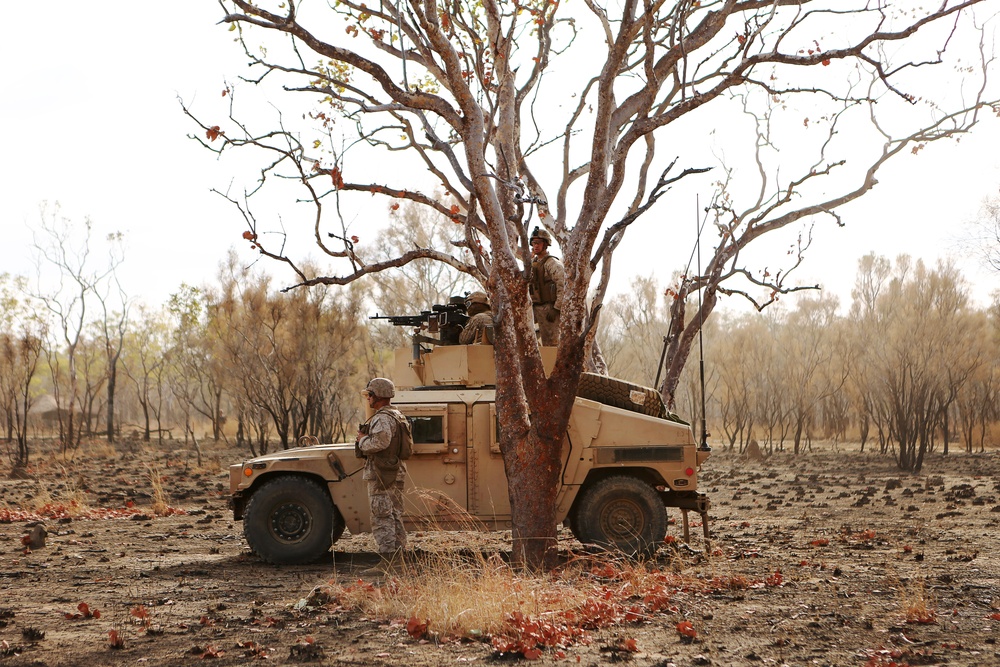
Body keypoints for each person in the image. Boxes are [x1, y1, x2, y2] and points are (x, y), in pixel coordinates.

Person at [356, 377, 408, 572]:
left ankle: (388, 563)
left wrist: (362, 441)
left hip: (382, 475)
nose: (368, 398)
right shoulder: (397, 415)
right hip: (394, 472)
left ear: (377, 396)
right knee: (394, 515)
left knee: (382, 516)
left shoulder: (382, 418)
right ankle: (398, 560)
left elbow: (380, 443)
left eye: (370, 395)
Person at [528, 226, 565, 346]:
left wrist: (556, 308)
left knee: (551, 344)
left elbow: (562, 284)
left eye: (538, 243)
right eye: (534, 243)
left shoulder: (552, 263)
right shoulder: (532, 263)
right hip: (534, 307)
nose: (536, 246)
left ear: (545, 244)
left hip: (549, 309)